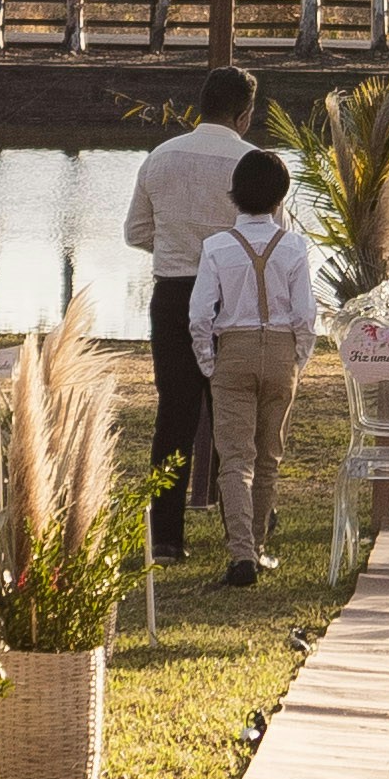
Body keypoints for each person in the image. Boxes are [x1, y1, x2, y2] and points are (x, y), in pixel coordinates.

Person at [122, 71, 259, 559]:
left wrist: (179, 246)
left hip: (174, 295)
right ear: (244, 115)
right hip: (232, 299)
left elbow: (136, 231)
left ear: (200, 104)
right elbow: (268, 237)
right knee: (233, 416)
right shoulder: (251, 162)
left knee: (174, 415)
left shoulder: (161, 157)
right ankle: (238, 533)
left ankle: (165, 537)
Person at [190, 145, 318, 588]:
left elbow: (200, 315)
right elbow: (305, 315)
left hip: (235, 350)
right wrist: (298, 356)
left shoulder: (217, 246)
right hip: (281, 351)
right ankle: (257, 548)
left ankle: (241, 553)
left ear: (235, 195)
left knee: (234, 458)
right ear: (281, 197)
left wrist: (209, 362)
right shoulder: (296, 246)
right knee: (269, 457)